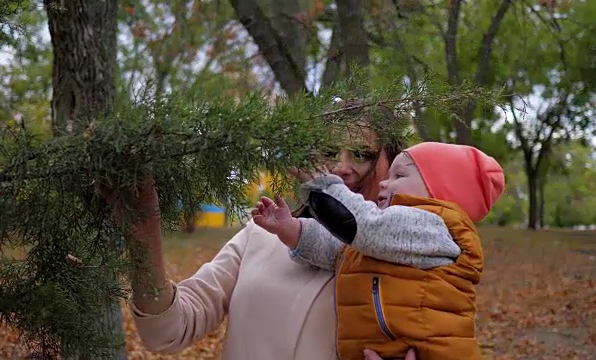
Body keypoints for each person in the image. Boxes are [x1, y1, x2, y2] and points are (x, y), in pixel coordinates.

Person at [108, 102, 421, 360]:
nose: (340, 166)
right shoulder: (262, 235)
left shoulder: (415, 255)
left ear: (391, 163)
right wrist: (143, 232)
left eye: (362, 154)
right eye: (328, 151)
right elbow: (167, 331)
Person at [252, 142, 505, 360]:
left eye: (399, 176)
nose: (385, 182)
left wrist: (324, 185)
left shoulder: (432, 226)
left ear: (438, 191)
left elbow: (362, 225)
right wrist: (292, 229)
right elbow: (339, 249)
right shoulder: (384, 238)